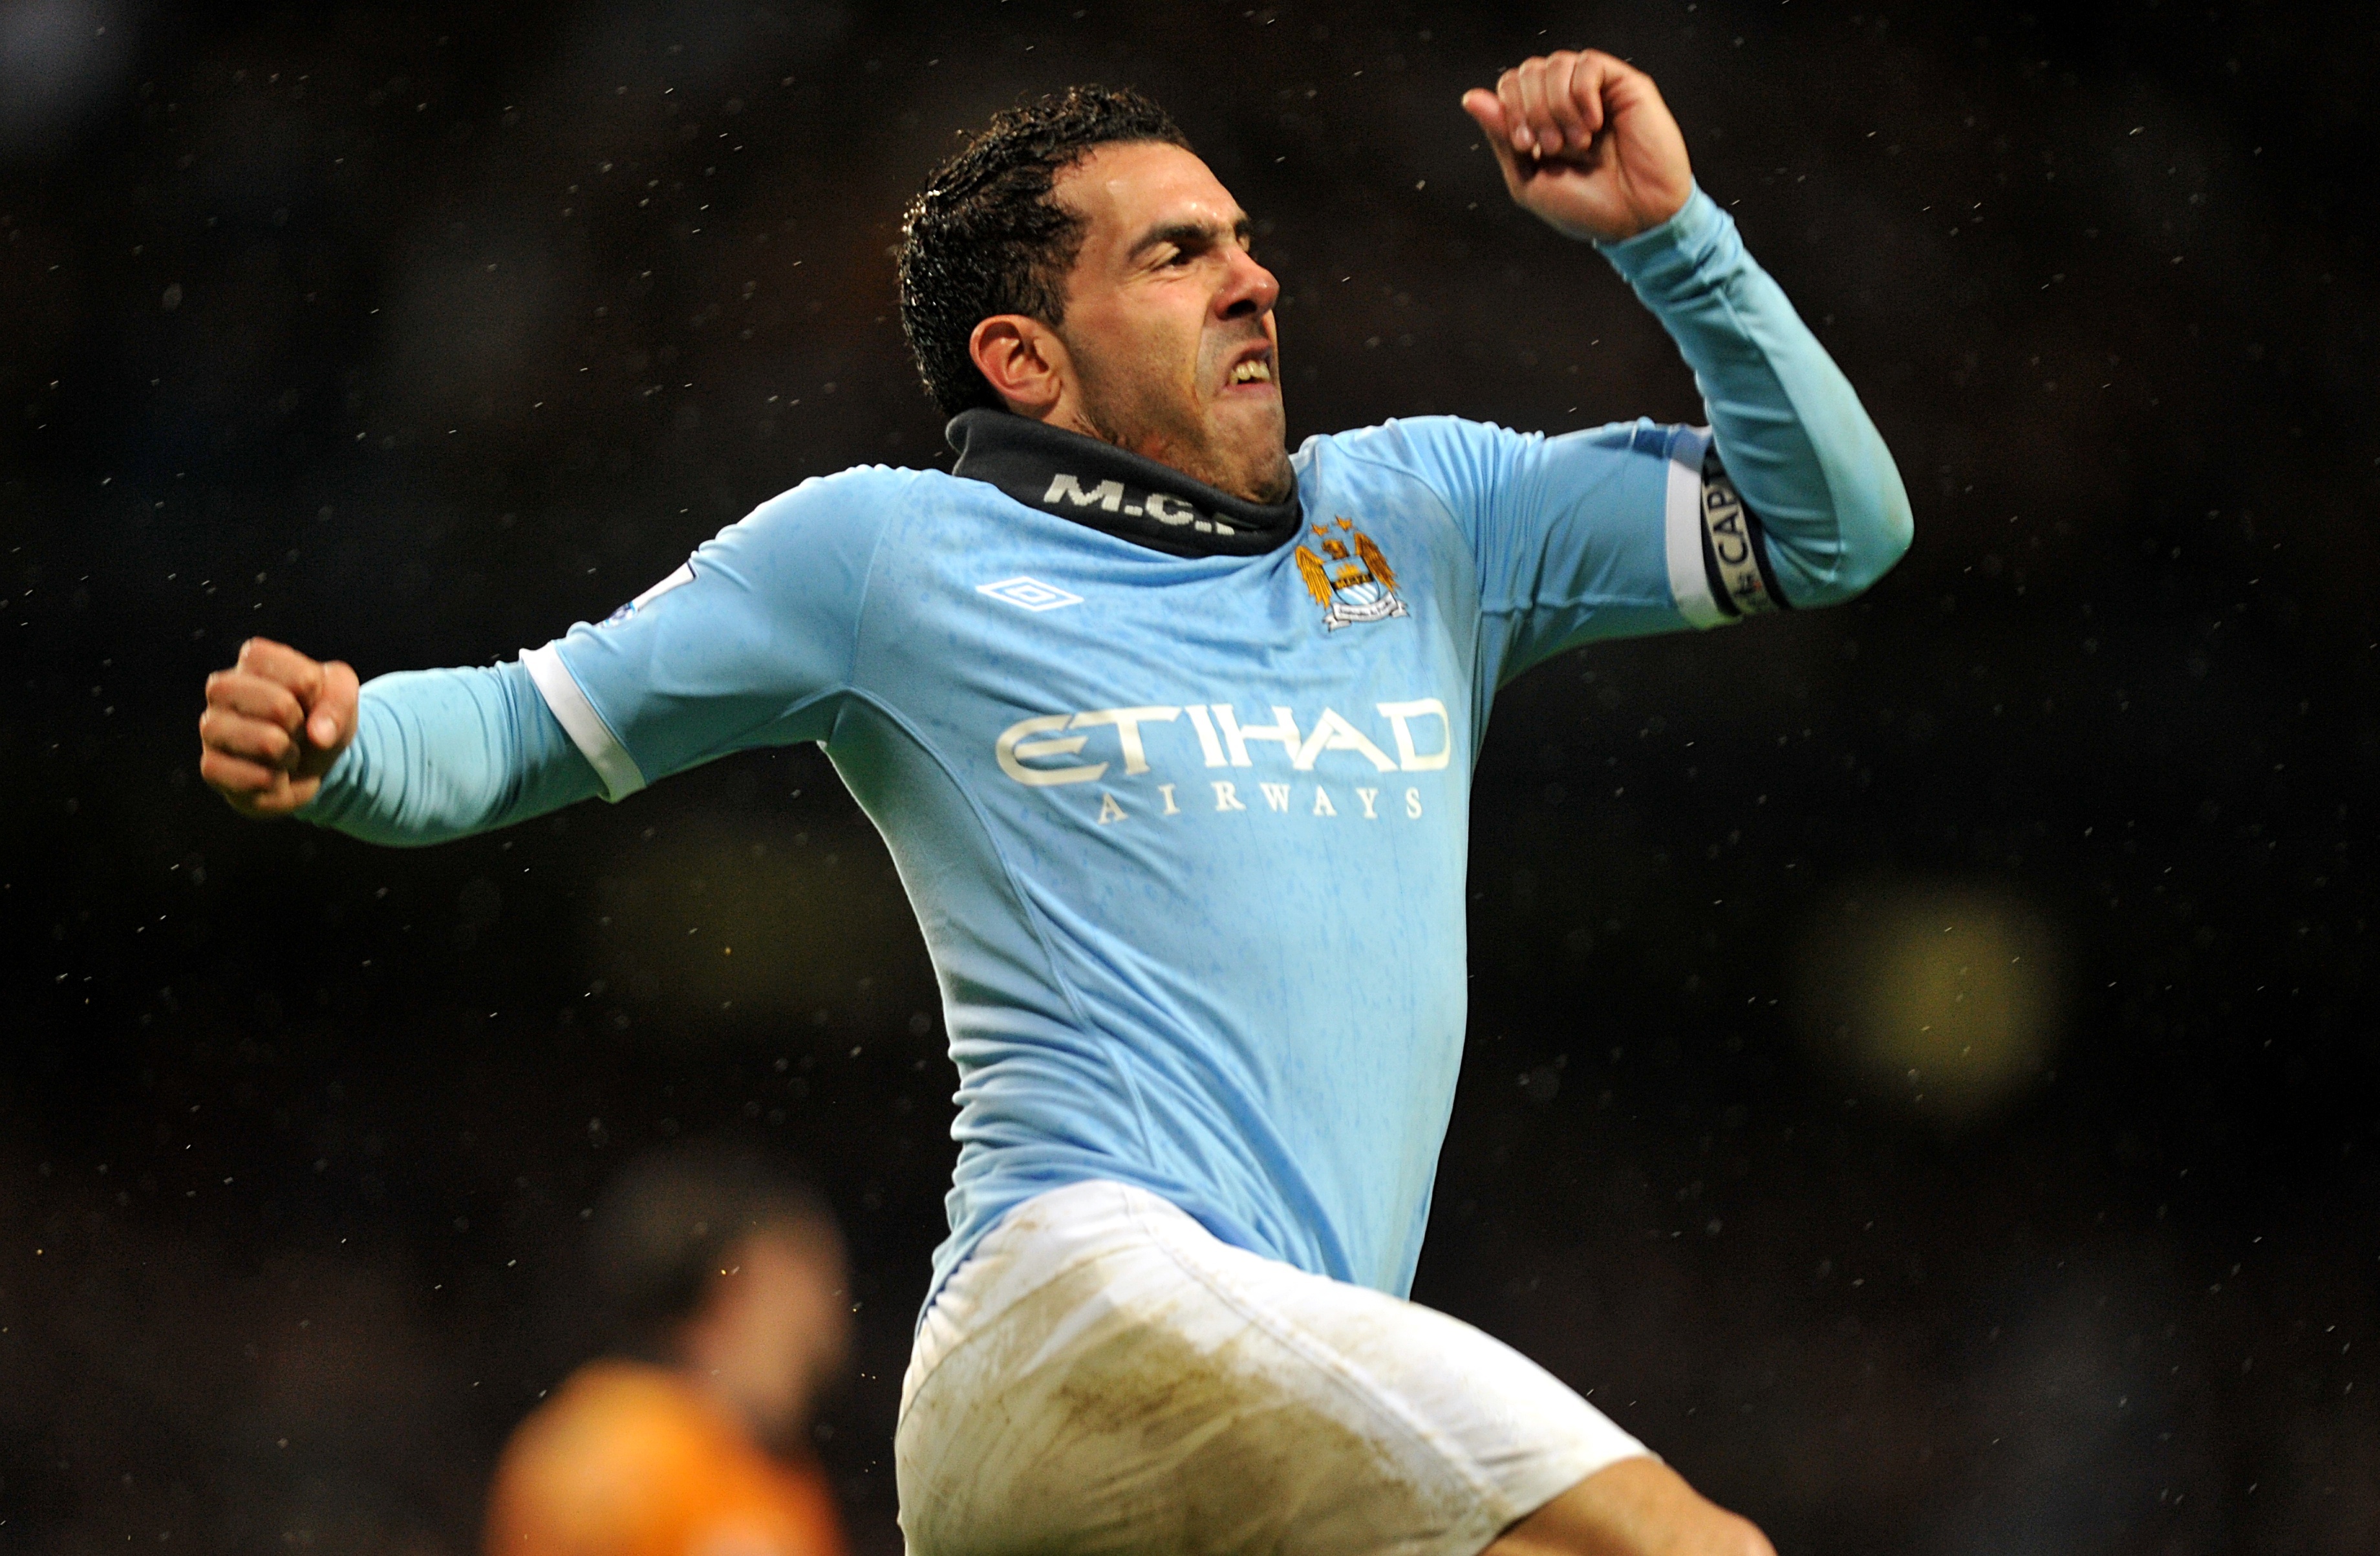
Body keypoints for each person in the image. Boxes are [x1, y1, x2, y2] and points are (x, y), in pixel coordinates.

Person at [200, 50, 1911, 1556]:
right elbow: (520, 722)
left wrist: (1672, 240)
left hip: (1273, 1399)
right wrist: (347, 746)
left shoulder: (1433, 516)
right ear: (1023, 355)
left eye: (1244, 240)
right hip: (1069, 1306)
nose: (1257, 281)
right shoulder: (883, 552)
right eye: (1181, 254)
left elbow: (1842, 527)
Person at [482, 1145, 852, 1556]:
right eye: (809, 1276)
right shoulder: (615, 1449)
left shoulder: (785, 1475)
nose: (828, 1317)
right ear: (738, 1283)